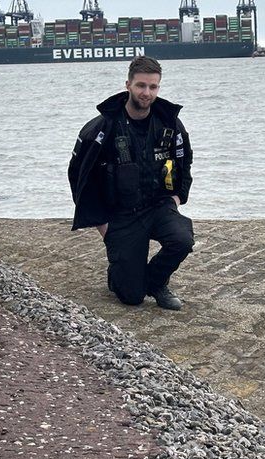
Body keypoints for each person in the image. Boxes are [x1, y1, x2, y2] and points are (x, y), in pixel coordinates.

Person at [68, 56, 194, 310]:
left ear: (158, 87)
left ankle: (157, 282)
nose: (146, 93)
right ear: (128, 85)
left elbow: (184, 161)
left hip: (158, 206)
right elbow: (79, 176)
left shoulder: (169, 123)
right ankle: (122, 277)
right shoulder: (102, 128)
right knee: (131, 297)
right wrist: (102, 224)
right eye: (141, 86)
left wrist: (178, 197)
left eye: (153, 87)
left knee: (183, 240)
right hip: (121, 215)